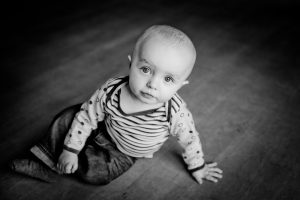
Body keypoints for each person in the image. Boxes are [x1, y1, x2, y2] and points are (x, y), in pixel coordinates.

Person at [11, 25, 223, 185]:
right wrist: (70, 150)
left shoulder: (174, 113)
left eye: (168, 79)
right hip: (103, 128)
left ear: (180, 85)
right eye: (146, 70)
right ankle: (49, 159)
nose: (152, 84)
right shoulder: (112, 89)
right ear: (131, 64)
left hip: (123, 153)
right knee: (70, 115)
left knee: (99, 175)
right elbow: (87, 116)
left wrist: (198, 167)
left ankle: (66, 158)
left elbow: (190, 139)